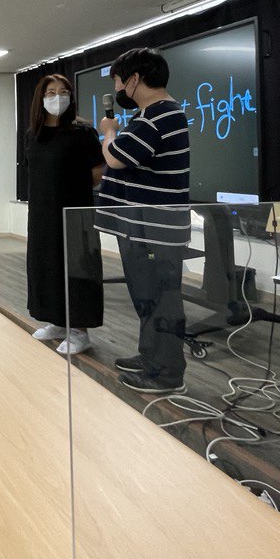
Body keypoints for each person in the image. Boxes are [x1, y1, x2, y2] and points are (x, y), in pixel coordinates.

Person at [95, 47, 192, 395]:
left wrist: (108, 131)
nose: (119, 89)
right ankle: (150, 355)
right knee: (146, 295)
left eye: (120, 82)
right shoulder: (152, 115)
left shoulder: (159, 116)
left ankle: (165, 373)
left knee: (159, 297)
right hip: (141, 225)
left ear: (135, 80)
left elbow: (118, 158)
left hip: (153, 228)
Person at [24, 74, 106, 356]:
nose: (57, 97)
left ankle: (80, 331)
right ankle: (58, 321)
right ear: (41, 98)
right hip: (42, 214)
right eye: (51, 92)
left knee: (76, 268)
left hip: (74, 213)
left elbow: (96, 173)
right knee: (46, 266)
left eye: (63, 91)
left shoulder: (82, 133)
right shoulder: (33, 134)